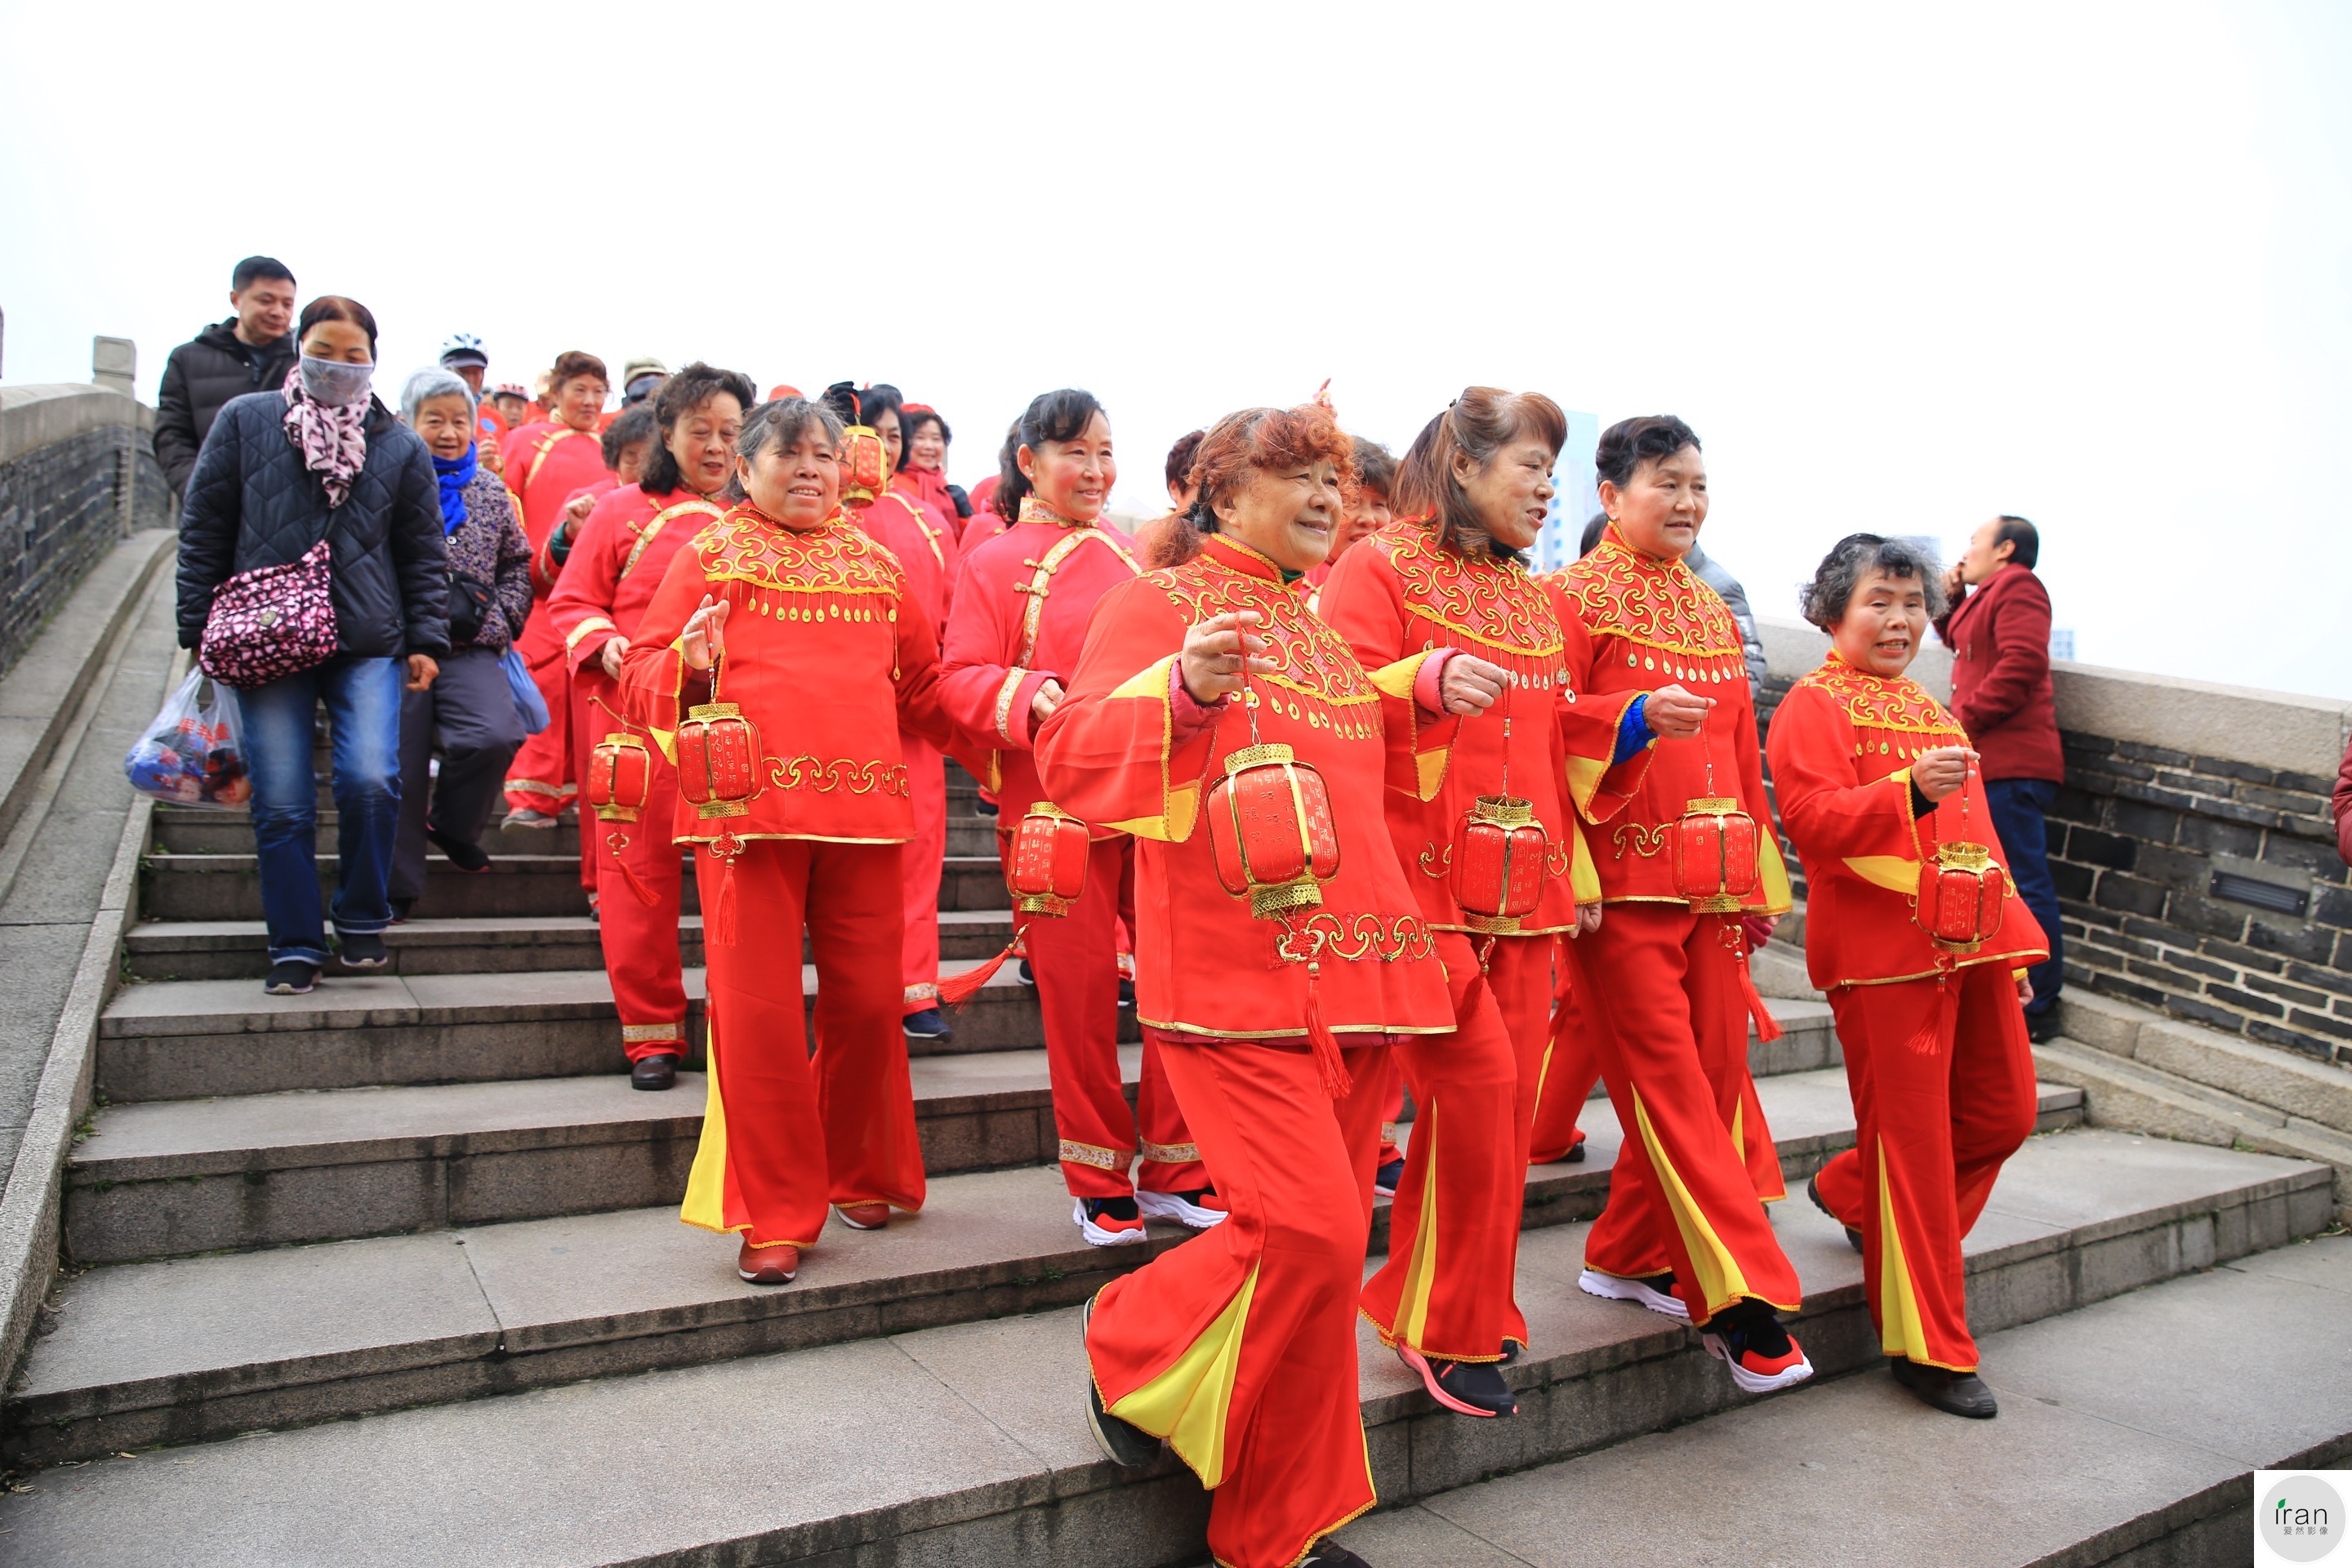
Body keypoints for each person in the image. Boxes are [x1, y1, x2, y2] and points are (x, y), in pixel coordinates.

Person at [1040, 402, 1503, 1568]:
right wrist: (1181, 694)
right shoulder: (1162, 601)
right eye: (1293, 475)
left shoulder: (1317, 623)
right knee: (1306, 1230)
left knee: (1331, 1251)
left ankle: (1275, 1529)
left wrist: (1422, 687)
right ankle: (1128, 1338)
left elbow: (1355, 765)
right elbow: (1072, 753)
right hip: (1232, 977)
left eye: (1334, 480)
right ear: (1221, 492)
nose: (1323, 498)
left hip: (1360, 982)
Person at [1320, 389, 1628, 1412]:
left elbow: (1553, 737)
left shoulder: (1534, 598)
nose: (1548, 490)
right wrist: (1417, 679)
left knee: (1491, 1116)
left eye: (1554, 471)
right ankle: (1442, 1319)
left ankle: (1450, 1309)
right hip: (1418, 886)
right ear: (1462, 466)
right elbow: (1328, 698)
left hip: (1528, 891)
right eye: (1531, 467)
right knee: (1488, 1095)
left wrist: (1623, 734)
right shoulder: (1379, 567)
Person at [616, 394, 947, 1283]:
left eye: (825, 456)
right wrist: (682, 661)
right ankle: (776, 1209)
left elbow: (924, 687)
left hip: (867, 820)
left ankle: (862, 1166)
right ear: (746, 470)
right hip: (744, 821)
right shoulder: (711, 554)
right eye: (789, 455)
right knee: (757, 1019)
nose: (810, 469)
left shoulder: (878, 565)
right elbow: (642, 668)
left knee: (874, 1006)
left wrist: (1024, 720)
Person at [1540, 414, 1813, 1394]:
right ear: (1610, 496)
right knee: (1674, 1091)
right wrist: (1628, 726)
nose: (1689, 502)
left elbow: (1744, 755)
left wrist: (1760, 878)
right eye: (1668, 483)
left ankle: (1621, 1250)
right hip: (1617, 898)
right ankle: (1742, 1300)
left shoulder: (1706, 608)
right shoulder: (1568, 601)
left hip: (1712, 889)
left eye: (1699, 485)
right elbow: (1541, 742)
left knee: (1712, 1075)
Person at [1771, 533, 2046, 1418]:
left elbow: (1981, 843)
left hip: (1970, 949)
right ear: (1832, 614)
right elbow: (1812, 824)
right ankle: (1929, 1346)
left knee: (2004, 1114)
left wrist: (2009, 947)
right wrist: (1908, 793)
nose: (1898, 622)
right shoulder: (1814, 705)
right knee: (1918, 1155)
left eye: (1912, 605)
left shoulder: (1932, 711)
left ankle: (1851, 1188)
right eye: (1877, 604)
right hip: (1885, 964)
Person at [938, 390, 1207, 1241]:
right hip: (1051, 808)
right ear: (1028, 463)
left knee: (1175, 982)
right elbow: (956, 678)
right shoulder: (990, 559)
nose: (1095, 471)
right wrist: (1028, 692)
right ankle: (1097, 1175)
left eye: (1105, 452)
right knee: (1080, 997)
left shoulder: (1138, 557)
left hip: (1149, 799)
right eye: (1074, 454)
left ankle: (1177, 1164)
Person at [175, 296, 448, 996]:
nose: (341, 367)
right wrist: (193, 625)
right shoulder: (246, 421)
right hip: (265, 635)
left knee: (369, 779)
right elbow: (205, 527)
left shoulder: (399, 443)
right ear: (300, 349)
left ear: (374, 360)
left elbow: (420, 552)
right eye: (327, 351)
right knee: (285, 800)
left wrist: (426, 637)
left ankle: (361, 919)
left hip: (366, 639)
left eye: (356, 356)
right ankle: (294, 943)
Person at [547, 363, 751, 1089]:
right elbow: (571, 603)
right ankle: (651, 1037)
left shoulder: (757, 521)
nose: (719, 447)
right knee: (636, 880)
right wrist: (604, 640)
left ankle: (740, 1032)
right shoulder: (617, 510)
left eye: (732, 432)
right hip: (632, 722)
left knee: (740, 886)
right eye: (702, 432)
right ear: (667, 433)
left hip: (730, 728)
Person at [825, 383, 964, 1040]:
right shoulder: (807, 515)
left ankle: (915, 989)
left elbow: (948, 621)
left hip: (907, 716)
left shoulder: (929, 524)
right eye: (861, 436)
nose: (874, 451)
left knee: (918, 851)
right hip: (822, 722)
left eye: (886, 438)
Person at [389, 369, 532, 920]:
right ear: (408, 422)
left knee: (495, 735)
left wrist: (503, 615)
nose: (449, 432)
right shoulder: (388, 478)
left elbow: (516, 563)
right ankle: (397, 886)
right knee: (398, 766)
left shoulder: (490, 489)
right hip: (398, 647)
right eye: (435, 420)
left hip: (470, 643)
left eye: (460, 420)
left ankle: (451, 824)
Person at [1938, 514, 2065, 1040]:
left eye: (1975, 542)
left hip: (2014, 760)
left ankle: (2041, 1005)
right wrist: (1950, 598)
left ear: (2006, 548)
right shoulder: (1989, 594)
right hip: (1994, 760)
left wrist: (1960, 724)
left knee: (2026, 882)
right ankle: (2022, 992)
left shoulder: (2020, 586)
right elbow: (1963, 642)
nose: (1966, 552)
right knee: (2006, 878)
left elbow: (2022, 662)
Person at [500, 351, 612, 828]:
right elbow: (505, 503)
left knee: (585, 695)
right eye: (579, 390)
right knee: (541, 686)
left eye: (598, 391)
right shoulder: (526, 440)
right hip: (536, 587)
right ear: (556, 393)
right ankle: (531, 800)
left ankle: (579, 796)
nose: (589, 401)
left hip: (594, 589)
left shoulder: (611, 448)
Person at [154, 256, 299, 497]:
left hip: (285, 512)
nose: (278, 312)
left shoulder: (303, 364)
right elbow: (172, 436)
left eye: (287, 304)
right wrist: (196, 490)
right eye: (266, 301)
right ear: (236, 299)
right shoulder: (188, 359)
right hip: (211, 510)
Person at [893, 402, 973, 538]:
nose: (929, 446)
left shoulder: (945, 488)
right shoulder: (892, 483)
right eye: (920, 438)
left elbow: (965, 544)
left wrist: (966, 516)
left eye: (936, 439)